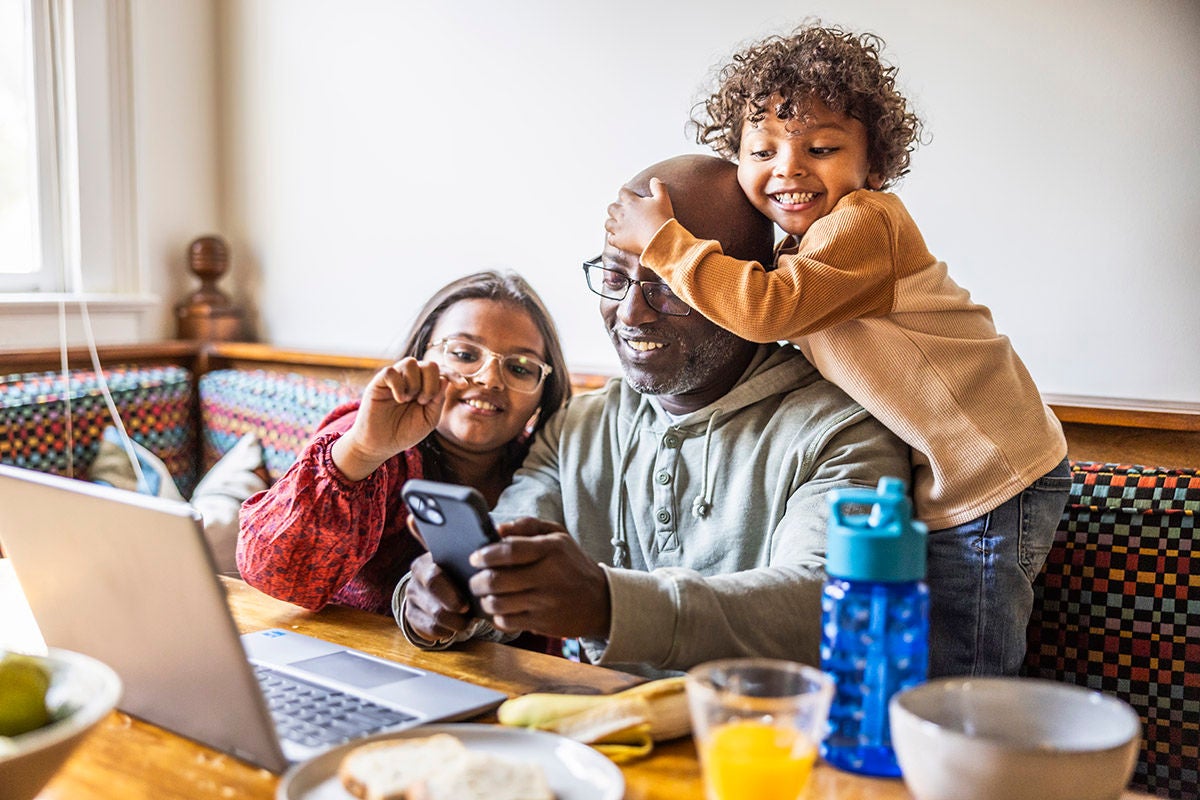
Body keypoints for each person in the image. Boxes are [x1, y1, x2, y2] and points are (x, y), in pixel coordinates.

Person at [604, 23, 1070, 677]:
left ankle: (970, 763)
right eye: (762, 150)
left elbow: (764, 311)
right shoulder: (802, 251)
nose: (789, 168)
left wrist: (664, 242)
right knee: (920, 649)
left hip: (994, 472)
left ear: (874, 163)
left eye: (820, 148)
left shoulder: (865, 224)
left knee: (964, 663)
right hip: (949, 473)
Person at [396, 154, 911, 676]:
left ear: (742, 288)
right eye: (615, 279)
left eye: (667, 284)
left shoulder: (844, 431)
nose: (630, 312)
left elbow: (827, 607)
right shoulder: (579, 426)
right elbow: (508, 540)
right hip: (587, 737)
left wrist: (608, 604)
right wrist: (450, 601)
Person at [237, 270, 571, 618]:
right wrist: (363, 451)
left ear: (543, 394)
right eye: (463, 354)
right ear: (420, 357)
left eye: (520, 368)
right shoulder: (369, 438)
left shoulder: (547, 467)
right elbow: (274, 575)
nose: (489, 379)